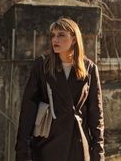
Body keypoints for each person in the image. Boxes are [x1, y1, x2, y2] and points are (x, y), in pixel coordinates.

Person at [15, 17, 105, 161]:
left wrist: (98, 153)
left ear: (74, 39)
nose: (55, 39)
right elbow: (28, 110)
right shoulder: (42, 65)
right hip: (47, 144)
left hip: (78, 145)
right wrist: (23, 151)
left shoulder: (90, 68)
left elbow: (96, 115)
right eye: (53, 35)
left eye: (61, 35)